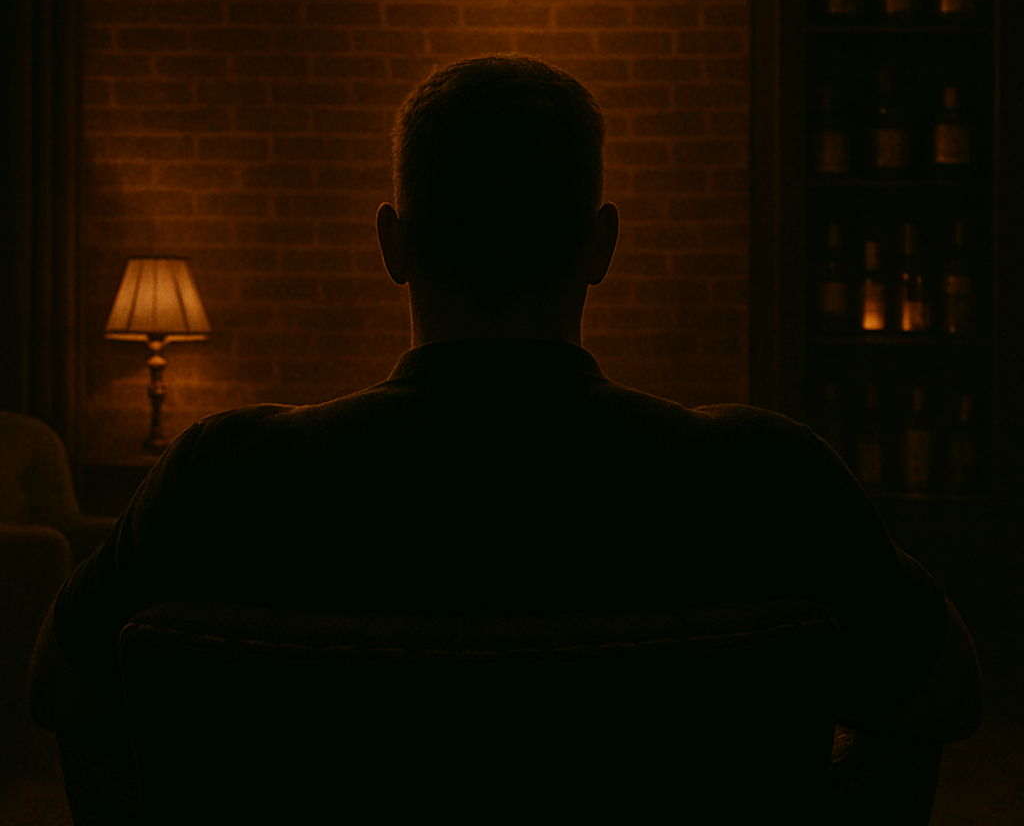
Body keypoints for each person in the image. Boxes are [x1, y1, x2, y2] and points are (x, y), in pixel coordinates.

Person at [29, 54, 980, 755]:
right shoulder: (769, 475)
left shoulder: (223, 476)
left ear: (393, 245)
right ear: (601, 245)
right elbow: (942, 700)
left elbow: (62, 696)